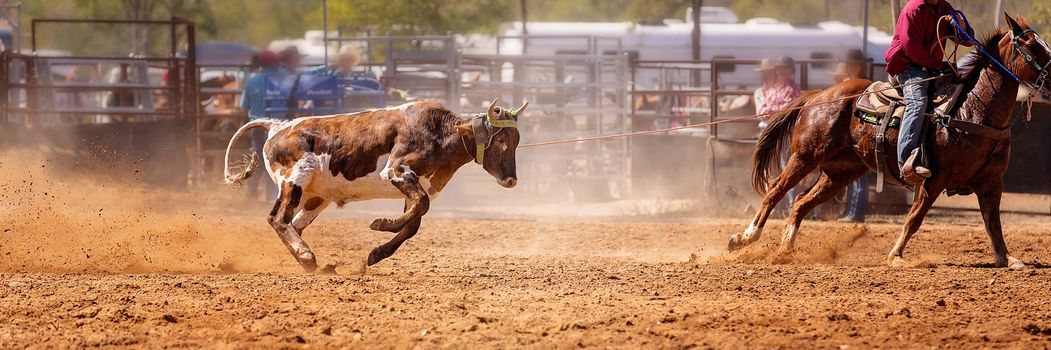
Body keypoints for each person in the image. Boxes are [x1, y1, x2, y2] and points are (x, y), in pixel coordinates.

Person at [885, 0, 972, 183]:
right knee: (917, 102)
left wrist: (962, 26)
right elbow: (911, 48)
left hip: (931, 68)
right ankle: (907, 160)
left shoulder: (944, 8)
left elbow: (967, 41)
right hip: (908, 67)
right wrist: (938, 65)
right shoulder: (913, 9)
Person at [830, 52, 871, 222]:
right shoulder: (851, 84)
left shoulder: (866, 85)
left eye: (855, 63)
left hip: (860, 132)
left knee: (859, 175)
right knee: (853, 174)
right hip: (850, 134)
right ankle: (851, 211)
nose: (852, 66)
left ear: (861, 65)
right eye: (850, 63)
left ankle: (856, 213)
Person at [240, 50, 281, 202]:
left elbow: (243, 106)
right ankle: (273, 197)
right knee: (276, 159)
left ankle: (251, 196)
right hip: (279, 126)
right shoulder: (282, 78)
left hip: (258, 124)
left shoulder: (252, 80)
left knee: (257, 157)